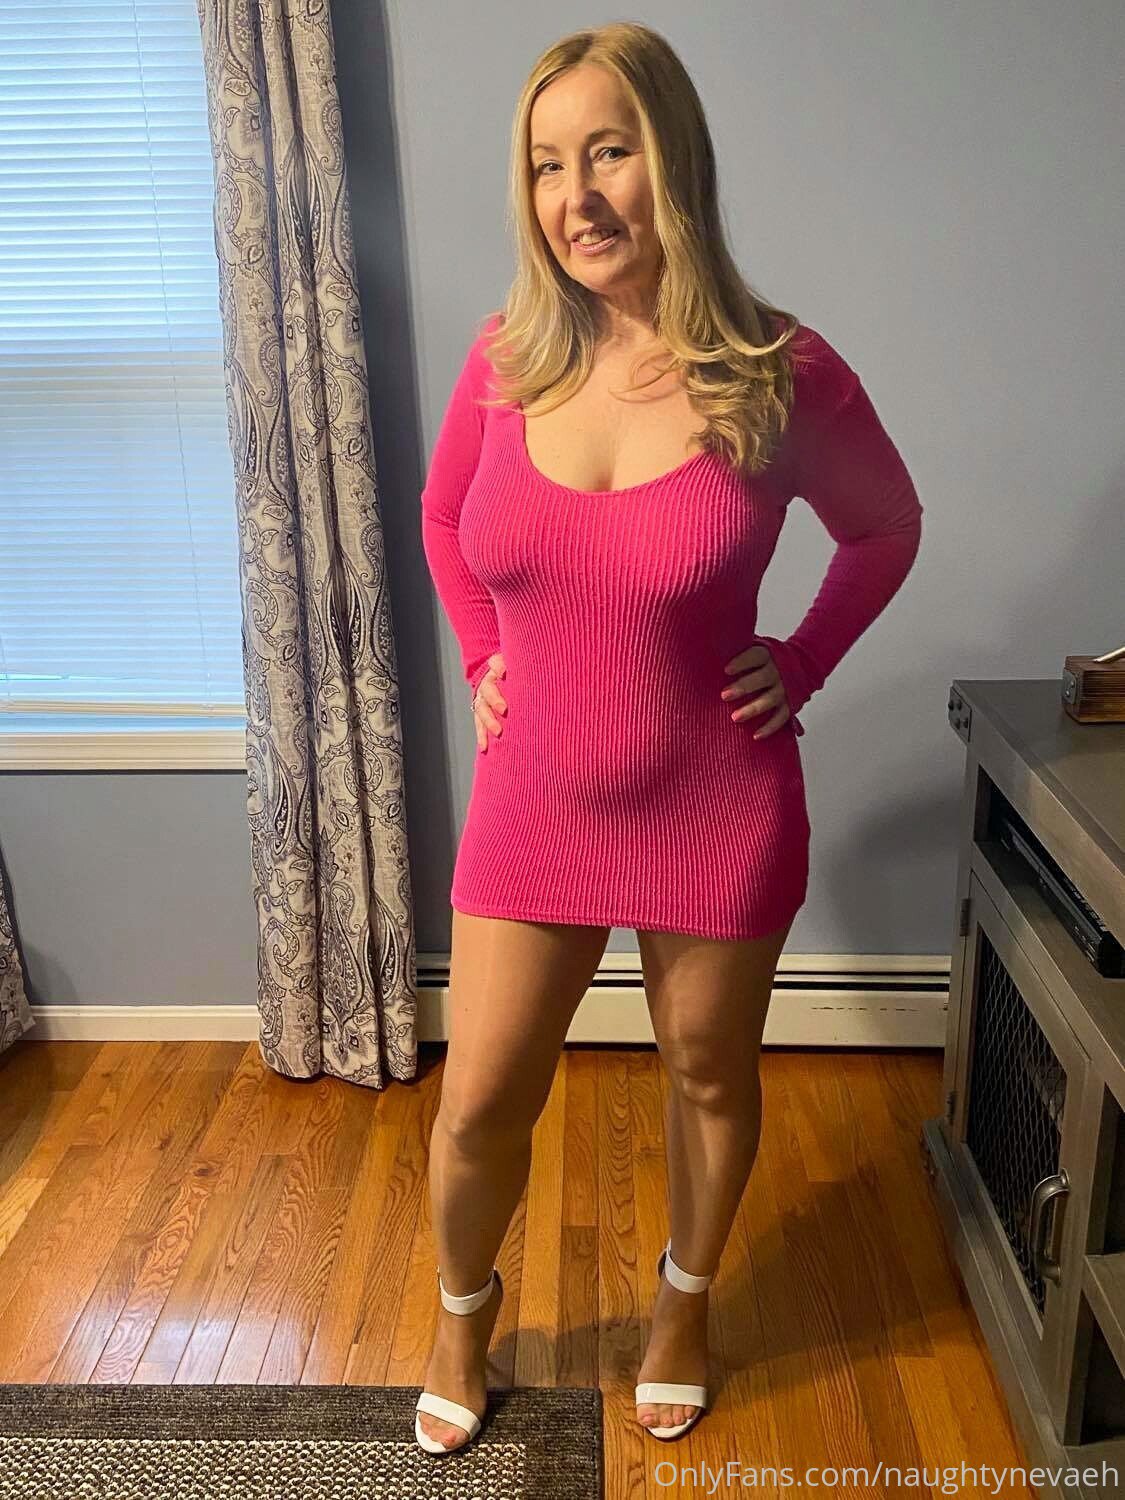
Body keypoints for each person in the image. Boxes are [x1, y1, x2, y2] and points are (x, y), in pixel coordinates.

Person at [415, 21, 923, 1456]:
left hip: (715, 796)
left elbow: (885, 526)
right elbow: (446, 521)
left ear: (673, 163)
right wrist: (483, 656)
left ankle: (684, 1305)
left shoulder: (778, 370)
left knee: (707, 1074)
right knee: (479, 1100)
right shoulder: (504, 361)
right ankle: (460, 1312)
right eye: (544, 165)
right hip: (538, 794)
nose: (574, 197)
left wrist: (801, 659)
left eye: (608, 153)